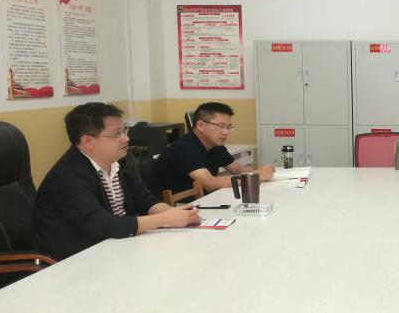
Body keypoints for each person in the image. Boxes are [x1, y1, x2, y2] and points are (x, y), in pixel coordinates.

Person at [32, 102, 201, 261]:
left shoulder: (121, 159)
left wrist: (174, 213)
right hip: (73, 260)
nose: (126, 139)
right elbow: (102, 225)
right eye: (117, 134)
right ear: (88, 141)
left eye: (124, 131)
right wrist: (165, 218)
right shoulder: (68, 177)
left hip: (115, 246)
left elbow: (144, 199)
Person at [147, 102, 275, 196]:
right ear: (200, 125)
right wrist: (256, 176)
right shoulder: (185, 147)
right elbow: (210, 183)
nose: (225, 132)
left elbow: (236, 168)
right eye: (220, 126)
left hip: (200, 202)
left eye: (228, 127)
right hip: (172, 209)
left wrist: (258, 173)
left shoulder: (215, 144)